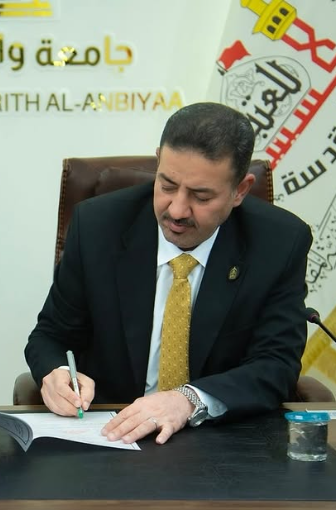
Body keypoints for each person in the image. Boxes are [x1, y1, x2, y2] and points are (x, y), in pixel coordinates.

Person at [25, 102, 312, 445]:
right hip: (113, 434)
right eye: (167, 185)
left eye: (201, 196)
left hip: (220, 441)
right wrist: (57, 373)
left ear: (240, 190)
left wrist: (187, 400)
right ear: (158, 161)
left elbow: (276, 365)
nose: (177, 210)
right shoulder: (97, 226)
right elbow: (51, 336)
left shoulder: (280, 243)